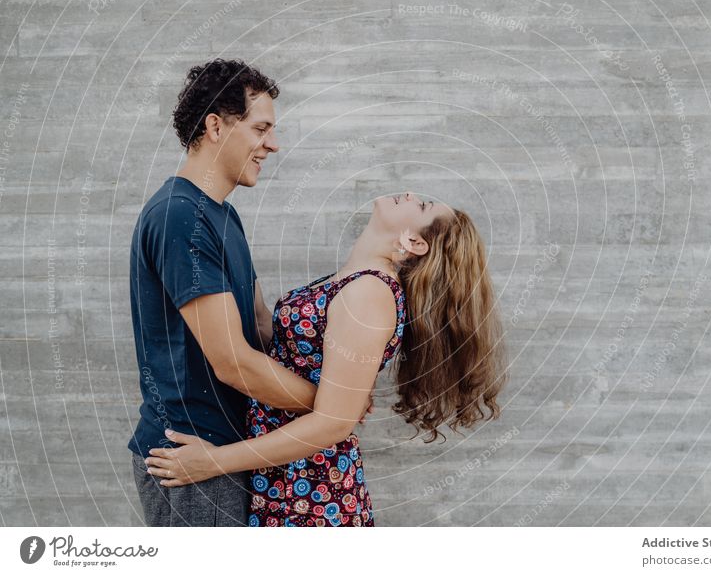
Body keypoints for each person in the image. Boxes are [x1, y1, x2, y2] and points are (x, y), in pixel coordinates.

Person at [143, 191, 509, 527]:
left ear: (413, 242)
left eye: (424, 205)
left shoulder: (370, 292)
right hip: (283, 475)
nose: (412, 194)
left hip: (309, 488)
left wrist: (213, 462)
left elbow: (332, 424)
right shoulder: (351, 281)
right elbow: (292, 349)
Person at [128, 58, 355, 526]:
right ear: (215, 126)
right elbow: (233, 361)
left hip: (228, 449)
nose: (272, 144)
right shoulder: (180, 216)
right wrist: (331, 406)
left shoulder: (222, 216)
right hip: (191, 455)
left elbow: (260, 327)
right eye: (260, 129)